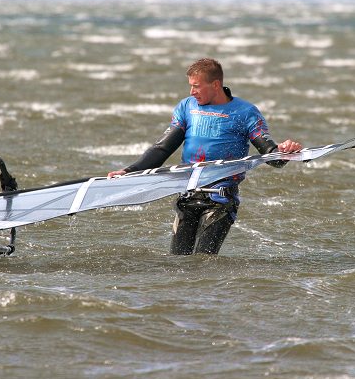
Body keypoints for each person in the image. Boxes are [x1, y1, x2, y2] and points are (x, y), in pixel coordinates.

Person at [108, 58, 302, 255]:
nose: (192, 92)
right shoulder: (187, 108)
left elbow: (272, 156)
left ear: (216, 85)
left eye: (197, 86)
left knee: (204, 263)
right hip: (187, 196)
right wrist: (129, 171)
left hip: (220, 200)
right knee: (178, 263)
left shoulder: (245, 113)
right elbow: (162, 149)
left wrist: (284, 151)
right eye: (191, 86)